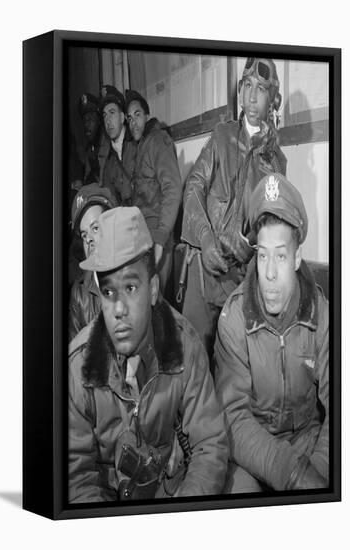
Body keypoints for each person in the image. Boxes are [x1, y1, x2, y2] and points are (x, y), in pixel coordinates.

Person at [69, 206, 228, 503]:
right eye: (108, 292)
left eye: (130, 287)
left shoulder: (184, 344)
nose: (118, 309)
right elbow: (76, 478)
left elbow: (210, 445)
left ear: (153, 289)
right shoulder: (78, 368)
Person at [214, 173, 329, 493]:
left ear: (296, 257)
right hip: (251, 449)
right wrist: (290, 473)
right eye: (262, 255)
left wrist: (316, 469)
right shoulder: (233, 318)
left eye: (280, 255)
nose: (269, 273)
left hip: (310, 443)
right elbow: (233, 418)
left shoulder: (320, 312)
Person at [181, 58, 286, 360]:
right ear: (240, 92)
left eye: (262, 89)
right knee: (192, 363)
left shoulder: (277, 162)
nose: (253, 97)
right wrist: (204, 237)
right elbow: (194, 187)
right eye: (248, 86)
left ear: (272, 99)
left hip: (240, 281)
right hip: (203, 271)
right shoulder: (221, 137)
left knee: (232, 369)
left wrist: (249, 246)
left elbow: (274, 226)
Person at [125, 90, 182, 295]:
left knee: (157, 304)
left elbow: (173, 189)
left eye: (137, 115)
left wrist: (159, 240)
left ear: (147, 115)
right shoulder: (142, 146)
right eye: (129, 119)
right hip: (145, 240)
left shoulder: (158, 140)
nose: (133, 123)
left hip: (159, 240)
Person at [68, 184, 117, 341]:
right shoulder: (79, 294)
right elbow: (74, 357)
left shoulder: (138, 277)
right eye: (84, 234)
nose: (88, 239)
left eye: (95, 228)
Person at [99, 85, 137, 205]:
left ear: (122, 117)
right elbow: (110, 199)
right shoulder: (108, 158)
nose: (108, 121)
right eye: (104, 115)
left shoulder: (137, 143)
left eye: (112, 113)